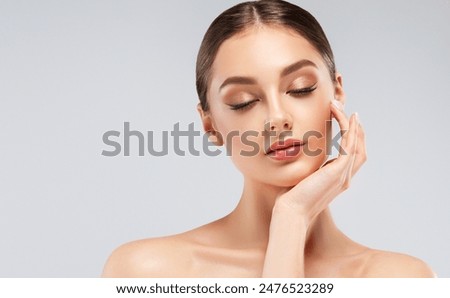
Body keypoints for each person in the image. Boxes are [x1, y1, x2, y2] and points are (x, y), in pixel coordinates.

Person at [102, 0, 435, 277]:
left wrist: (292, 216)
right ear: (210, 125)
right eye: (243, 101)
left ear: (337, 91)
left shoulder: (401, 278)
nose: (277, 118)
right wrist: (292, 220)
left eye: (300, 88)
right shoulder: (149, 271)